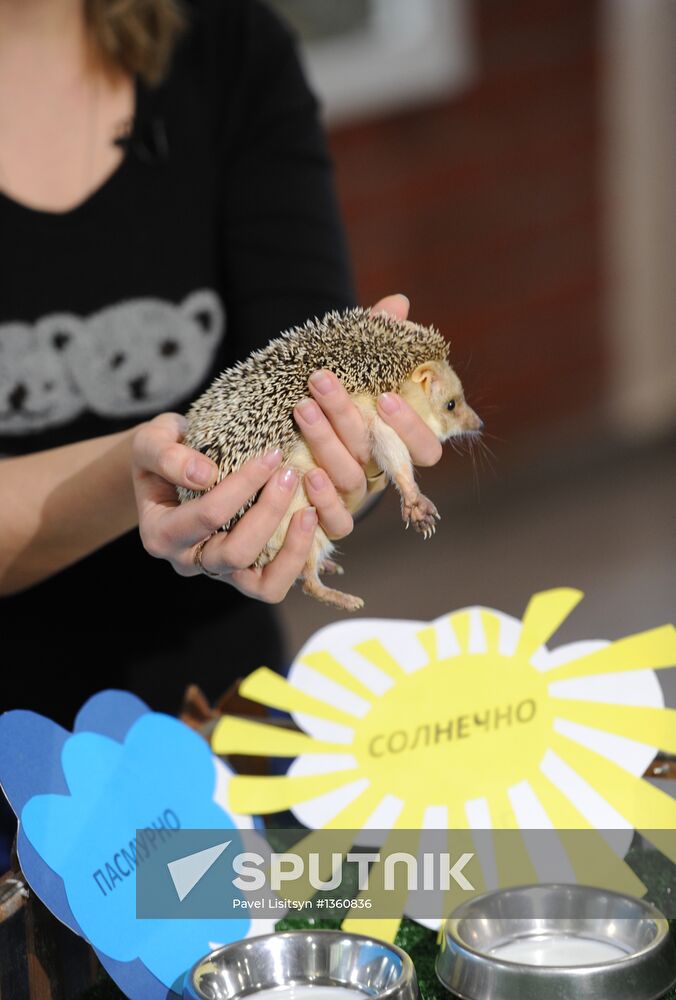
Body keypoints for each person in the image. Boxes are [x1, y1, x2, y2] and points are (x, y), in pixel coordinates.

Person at [0, 0, 442, 730]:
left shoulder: (230, 47)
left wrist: (351, 463)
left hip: (222, 715)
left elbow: (321, 428)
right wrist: (150, 473)